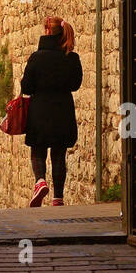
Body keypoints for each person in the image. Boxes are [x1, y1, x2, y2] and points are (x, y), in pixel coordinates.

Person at [20, 15, 83, 207]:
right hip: (63, 111)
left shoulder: (36, 58)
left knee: (38, 150)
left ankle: (40, 181)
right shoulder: (71, 58)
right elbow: (75, 85)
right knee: (58, 154)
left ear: (47, 31)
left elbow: (27, 87)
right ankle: (58, 198)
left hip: (39, 111)